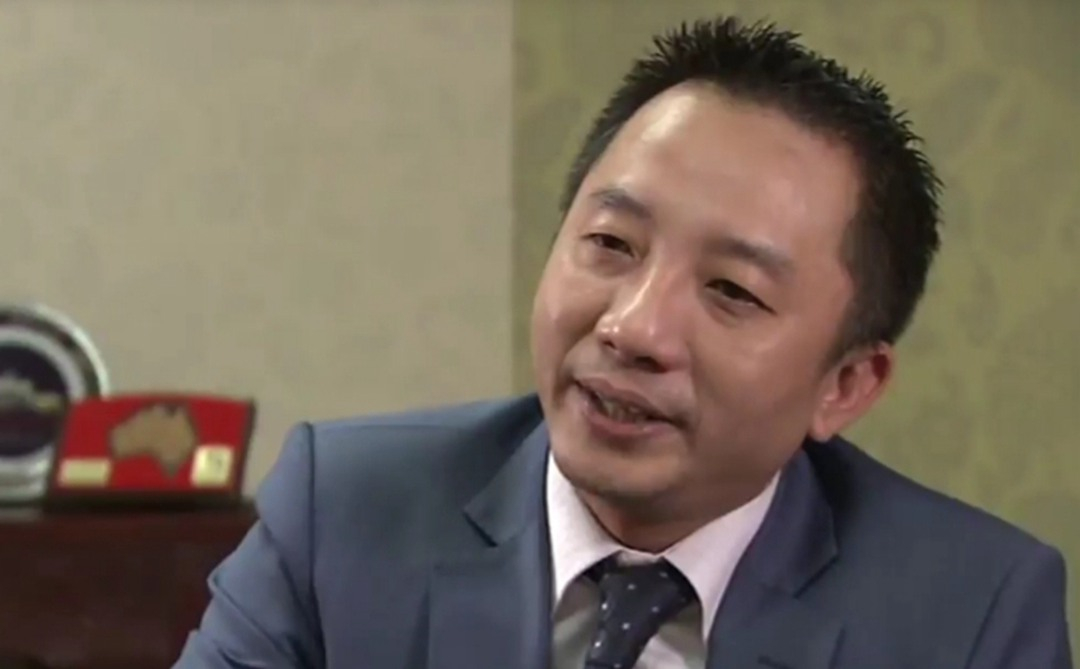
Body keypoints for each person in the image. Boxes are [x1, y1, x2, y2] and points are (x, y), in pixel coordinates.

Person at [173, 15, 1072, 669]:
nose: (633, 327)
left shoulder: (973, 616)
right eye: (610, 243)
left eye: (731, 290)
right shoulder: (342, 513)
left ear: (845, 384)